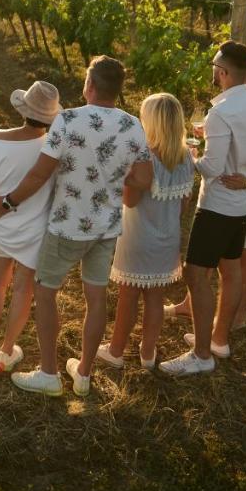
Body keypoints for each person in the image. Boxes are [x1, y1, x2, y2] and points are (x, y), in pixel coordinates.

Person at [0, 56, 154, 397]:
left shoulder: (67, 121)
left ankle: (49, 373)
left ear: (90, 86)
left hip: (66, 226)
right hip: (106, 228)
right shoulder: (133, 125)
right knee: (96, 299)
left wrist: (7, 202)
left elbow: (39, 174)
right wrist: (113, 181)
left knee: (46, 293)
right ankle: (83, 374)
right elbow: (142, 179)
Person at [160, 42, 246, 377]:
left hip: (217, 206)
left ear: (223, 71)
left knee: (195, 274)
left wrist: (189, 154)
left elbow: (212, 168)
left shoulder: (221, 112)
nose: (214, 74)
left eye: (215, 68)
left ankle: (200, 355)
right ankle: (219, 341)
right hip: (244, 203)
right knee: (230, 271)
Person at [0, 81, 62, 377]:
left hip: (0, 227)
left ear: (23, 109)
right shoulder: (51, 151)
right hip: (32, 235)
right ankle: (7, 351)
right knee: (23, 288)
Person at [99, 93, 194, 371]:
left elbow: (129, 200)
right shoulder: (186, 157)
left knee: (128, 296)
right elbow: (183, 204)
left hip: (137, 237)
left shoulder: (143, 158)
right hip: (167, 237)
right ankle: (148, 353)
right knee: (155, 297)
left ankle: (116, 350)